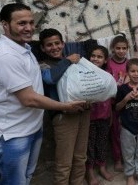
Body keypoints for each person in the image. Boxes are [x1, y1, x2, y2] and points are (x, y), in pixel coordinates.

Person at [0, 3, 85, 185]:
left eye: (31, 22)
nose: (29, 28)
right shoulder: (6, 55)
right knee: (14, 182)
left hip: (31, 127)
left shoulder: (24, 49)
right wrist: (65, 107)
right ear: (5, 25)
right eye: (22, 23)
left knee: (26, 177)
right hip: (13, 134)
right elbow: (28, 98)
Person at [39, 28, 91, 185]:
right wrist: (67, 60)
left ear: (63, 44)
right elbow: (50, 79)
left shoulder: (76, 62)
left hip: (83, 112)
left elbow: (86, 82)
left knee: (80, 157)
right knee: (64, 162)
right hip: (63, 117)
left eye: (57, 43)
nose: (54, 47)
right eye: (49, 45)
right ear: (42, 48)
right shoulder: (43, 65)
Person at [86, 45, 115, 185]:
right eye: (93, 56)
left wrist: (109, 114)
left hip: (104, 116)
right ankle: (90, 171)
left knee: (102, 143)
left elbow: (110, 97)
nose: (95, 59)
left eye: (99, 57)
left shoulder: (108, 74)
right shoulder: (83, 72)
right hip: (89, 117)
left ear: (105, 60)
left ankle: (102, 167)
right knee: (89, 145)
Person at [106, 33, 129, 171]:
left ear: (127, 49)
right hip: (113, 104)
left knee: (128, 132)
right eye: (118, 48)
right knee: (115, 132)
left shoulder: (129, 63)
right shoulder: (108, 63)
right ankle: (117, 159)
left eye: (124, 48)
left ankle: (128, 157)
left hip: (127, 104)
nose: (121, 51)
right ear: (113, 49)